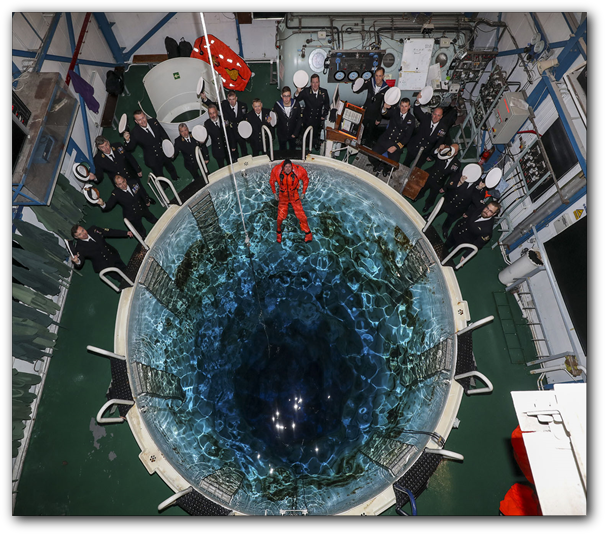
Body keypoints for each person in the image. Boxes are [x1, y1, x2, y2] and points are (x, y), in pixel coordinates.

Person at [123, 110, 180, 181]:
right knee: (159, 174)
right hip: (152, 157)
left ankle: (175, 177)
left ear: (145, 116)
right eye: (139, 120)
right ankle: (164, 186)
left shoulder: (154, 122)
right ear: (136, 121)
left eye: (143, 118)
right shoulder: (135, 133)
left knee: (170, 166)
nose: (143, 121)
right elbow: (130, 148)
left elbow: (164, 135)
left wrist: (170, 149)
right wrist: (127, 140)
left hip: (163, 151)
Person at [97, 174, 158, 239]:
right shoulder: (116, 194)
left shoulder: (133, 183)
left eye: (123, 182)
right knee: (140, 230)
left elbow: (141, 192)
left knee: (151, 217)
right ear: (117, 186)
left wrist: (146, 200)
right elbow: (108, 205)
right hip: (132, 214)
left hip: (141, 207)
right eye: (120, 184)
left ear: (125, 180)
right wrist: (102, 204)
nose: (123, 185)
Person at [402, 90, 449, 169]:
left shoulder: (443, 128)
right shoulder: (426, 118)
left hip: (424, 152)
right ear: (432, 114)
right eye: (434, 114)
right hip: (414, 147)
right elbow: (417, 111)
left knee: (416, 169)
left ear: (441, 117)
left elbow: (439, 143)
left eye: (438, 115)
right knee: (406, 164)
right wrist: (417, 102)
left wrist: (432, 156)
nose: (435, 117)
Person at [269, 159, 312, 243]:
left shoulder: (298, 170)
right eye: (286, 167)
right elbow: (272, 181)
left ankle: (308, 232)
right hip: (283, 196)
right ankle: (278, 231)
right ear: (283, 167)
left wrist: (303, 192)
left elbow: (306, 180)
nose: (288, 169)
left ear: (292, 167)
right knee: (280, 217)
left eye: (289, 167)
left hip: (294, 195)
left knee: (302, 216)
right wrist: (274, 193)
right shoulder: (277, 170)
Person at [369, 97, 415, 174]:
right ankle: (377, 165)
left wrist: (396, 147)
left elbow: (407, 137)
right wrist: (384, 107)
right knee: (371, 156)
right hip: (386, 139)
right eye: (402, 106)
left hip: (396, 143)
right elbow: (385, 113)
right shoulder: (395, 111)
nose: (403, 108)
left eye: (406, 106)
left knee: (393, 165)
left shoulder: (411, 119)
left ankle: (386, 169)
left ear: (409, 107)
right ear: (399, 106)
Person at [416, 143, 462, 214]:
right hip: (430, 176)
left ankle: (427, 205)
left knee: (432, 196)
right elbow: (432, 155)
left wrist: (445, 187)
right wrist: (438, 149)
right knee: (422, 188)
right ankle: (417, 196)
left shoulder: (457, 164)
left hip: (439, 182)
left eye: (453, 150)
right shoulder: (442, 153)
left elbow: (453, 177)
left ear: (455, 153)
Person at [352, 66, 390, 146]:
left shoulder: (386, 89)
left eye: (380, 76)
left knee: (371, 131)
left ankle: (367, 145)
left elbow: (384, 105)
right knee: (362, 129)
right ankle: (359, 143)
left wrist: (379, 118)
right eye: (376, 75)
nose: (377, 78)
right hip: (366, 111)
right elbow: (360, 89)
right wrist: (356, 85)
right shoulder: (370, 82)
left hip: (375, 114)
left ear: (383, 76)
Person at [437, 167, 478, 239]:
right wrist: (459, 183)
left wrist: (468, 212)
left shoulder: (478, 186)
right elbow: (450, 184)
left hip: (460, 207)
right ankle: (429, 216)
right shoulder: (462, 174)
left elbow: (476, 202)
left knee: (450, 220)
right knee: (438, 210)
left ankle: (445, 228)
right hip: (449, 199)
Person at [294, 74, 330, 150]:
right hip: (307, 118)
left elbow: (327, 104)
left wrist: (324, 114)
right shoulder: (306, 91)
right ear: (311, 83)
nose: (315, 85)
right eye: (313, 82)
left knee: (315, 133)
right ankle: (305, 144)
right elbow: (296, 99)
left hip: (317, 118)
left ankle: (314, 143)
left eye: (316, 82)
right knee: (306, 133)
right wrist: (297, 92)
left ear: (319, 83)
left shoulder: (324, 92)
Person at [272, 86, 303, 151]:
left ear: (291, 96)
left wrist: (295, 133)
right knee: (282, 150)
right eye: (284, 96)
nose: (286, 98)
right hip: (281, 134)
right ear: (281, 96)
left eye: (288, 96)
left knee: (292, 149)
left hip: (293, 133)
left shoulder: (296, 104)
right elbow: (273, 118)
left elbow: (299, 119)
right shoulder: (277, 105)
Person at [220, 90, 249, 160]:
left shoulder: (243, 106)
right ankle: (235, 160)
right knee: (233, 148)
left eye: (233, 99)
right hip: (231, 131)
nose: (232, 101)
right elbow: (214, 104)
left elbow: (245, 117)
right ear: (227, 99)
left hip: (240, 129)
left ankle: (245, 159)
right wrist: (205, 99)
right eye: (230, 100)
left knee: (243, 147)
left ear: (236, 98)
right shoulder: (224, 105)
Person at [204, 104, 234, 169]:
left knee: (231, 163)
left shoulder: (224, 119)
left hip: (226, 147)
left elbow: (230, 133)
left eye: (213, 113)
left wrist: (233, 145)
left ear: (217, 112)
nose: (212, 115)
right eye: (210, 114)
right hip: (217, 150)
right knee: (221, 167)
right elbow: (205, 136)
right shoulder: (207, 123)